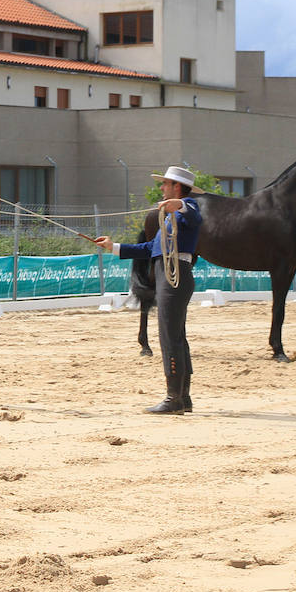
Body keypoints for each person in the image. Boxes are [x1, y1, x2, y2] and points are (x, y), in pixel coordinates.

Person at [95, 165, 203, 414]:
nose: (162, 188)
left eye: (165, 184)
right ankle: (182, 397)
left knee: (169, 337)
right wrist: (113, 247)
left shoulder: (188, 207)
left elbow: (194, 214)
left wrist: (180, 205)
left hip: (173, 276)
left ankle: (173, 398)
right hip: (168, 273)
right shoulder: (168, 217)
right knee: (176, 335)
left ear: (176, 187)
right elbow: (149, 249)